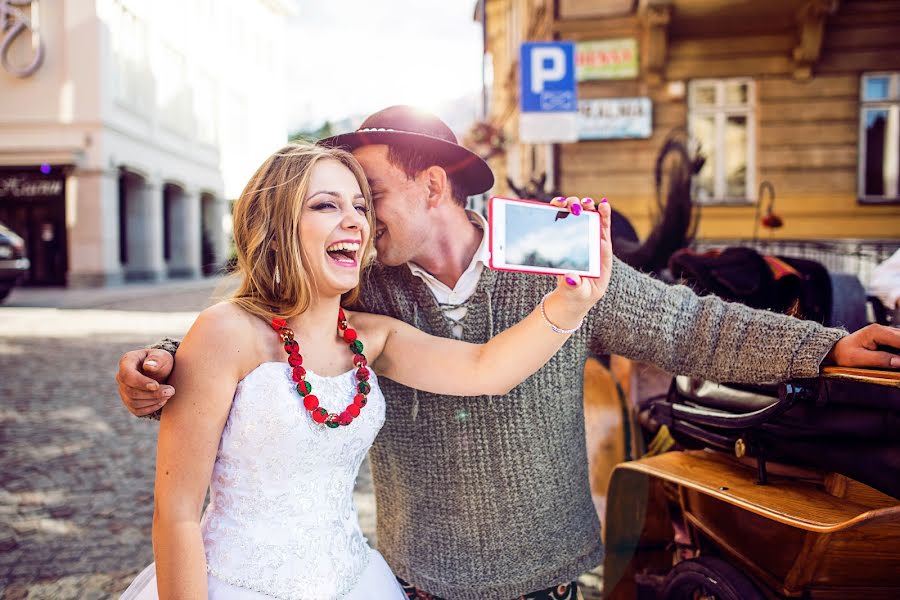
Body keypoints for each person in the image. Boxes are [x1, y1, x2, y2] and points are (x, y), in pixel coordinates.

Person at [118, 106, 900, 600]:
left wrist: (826, 346)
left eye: (369, 196)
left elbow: (690, 328)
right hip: (409, 578)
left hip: (544, 575)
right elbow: (273, 326)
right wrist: (167, 362)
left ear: (431, 188)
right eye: (340, 202)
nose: (356, 220)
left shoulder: (554, 248)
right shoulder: (365, 283)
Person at [118, 142, 612, 600]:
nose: (356, 221)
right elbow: (177, 514)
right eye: (327, 205)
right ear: (275, 226)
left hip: (353, 580)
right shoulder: (224, 332)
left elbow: (487, 370)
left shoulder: (374, 336)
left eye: (361, 205)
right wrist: (158, 365)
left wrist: (570, 304)